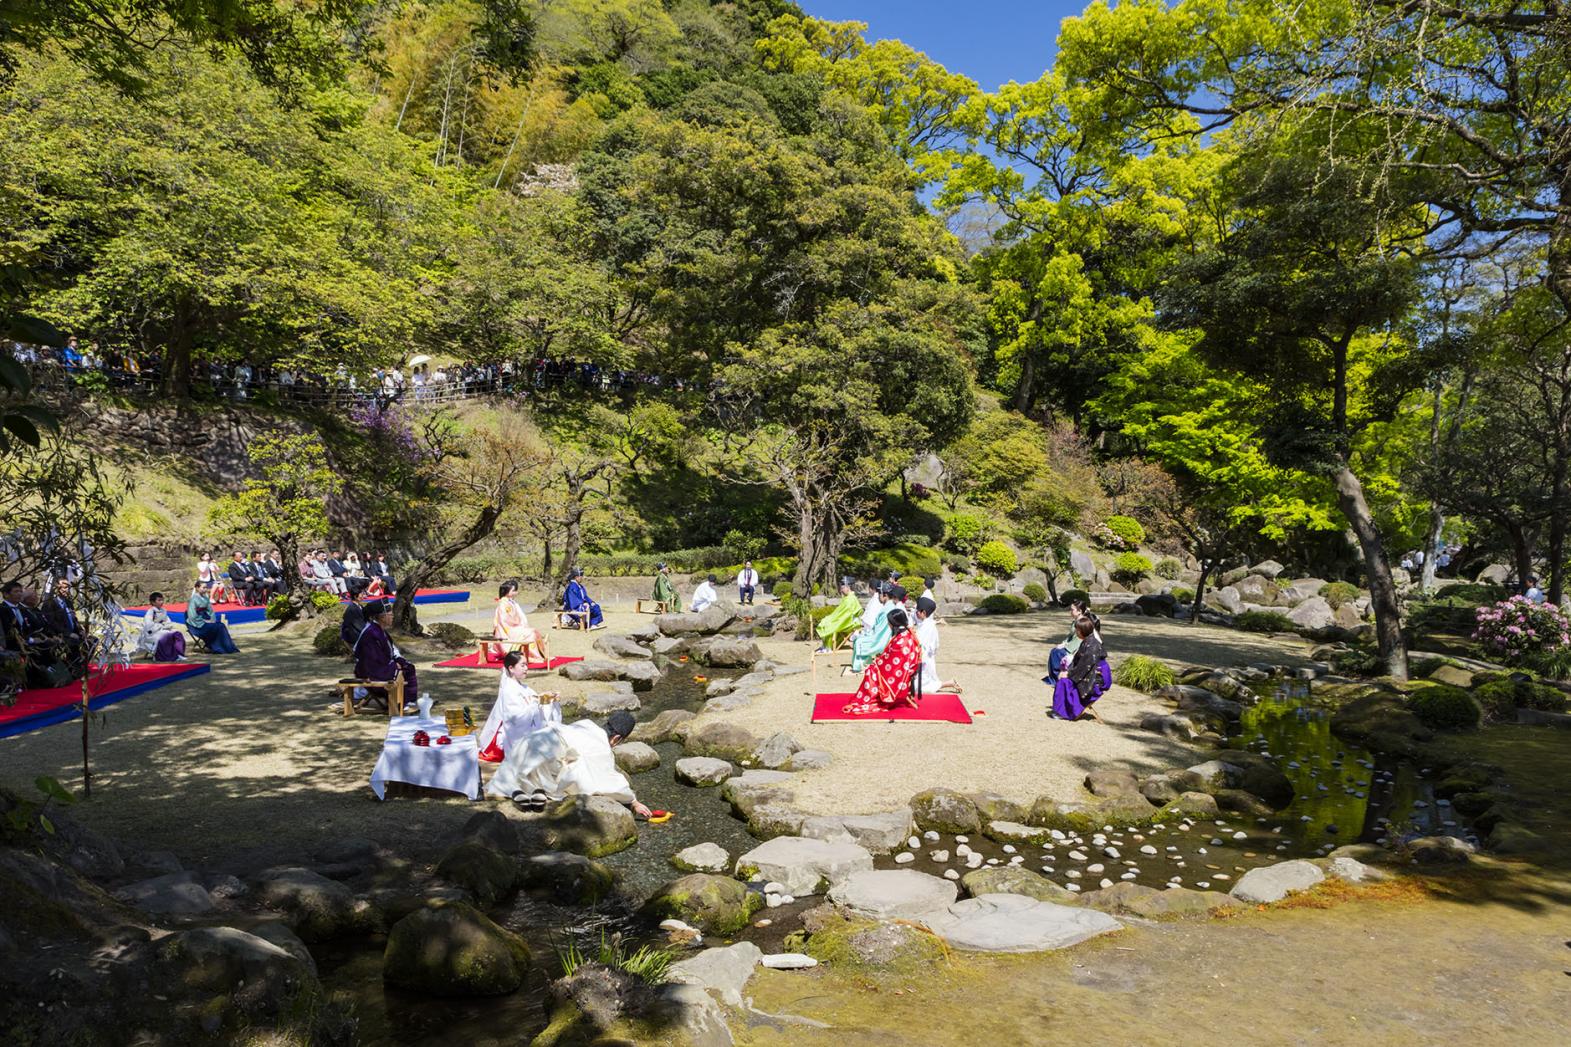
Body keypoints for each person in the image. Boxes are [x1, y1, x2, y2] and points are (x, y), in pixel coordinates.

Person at [484, 675, 653, 817]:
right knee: (577, 772)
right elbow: (610, 779)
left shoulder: (586, 724)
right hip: (546, 752)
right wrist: (633, 801)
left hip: (528, 742)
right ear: (616, 739)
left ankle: (526, 790)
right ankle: (537, 791)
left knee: (529, 770)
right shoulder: (601, 747)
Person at [477, 650, 563, 762]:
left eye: (526, 665)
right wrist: (537, 703)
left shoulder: (524, 688)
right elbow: (515, 718)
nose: (526, 668)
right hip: (516, 735)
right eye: (522, 665)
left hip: (528, 728)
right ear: (511, 668)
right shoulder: (508, 690)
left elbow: (533, 702)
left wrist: (549, 699)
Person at [841, 608, 922, 714]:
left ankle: (868, 698)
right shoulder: (907, 633)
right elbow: (893, 658)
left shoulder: (902, 641)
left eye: (889, 622)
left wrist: (878, 662)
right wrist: (881, 659)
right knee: (874, 667)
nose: (888, 624)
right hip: (902, 668)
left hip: (900, 673)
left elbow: (894, 662)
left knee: (871, 671)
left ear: (894, 623)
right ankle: (868, 696)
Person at [352, 601, 416, 713]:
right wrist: (393, 664)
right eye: (390, 615)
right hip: (371, 671)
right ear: (382, 617)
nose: (392, 617)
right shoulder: (371, 633)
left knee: (408, 667)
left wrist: (398, 660)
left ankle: (408, 699)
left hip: (381, 666)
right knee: (398, 671)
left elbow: (390, 650)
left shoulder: (379, 630)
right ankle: (399, 701)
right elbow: (371, 659)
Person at [1051, 616, 1108, 721]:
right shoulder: (1087, 641)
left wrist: (1068, 674)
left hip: (1098, 676)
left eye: (1077, 630)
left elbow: (1085, 665)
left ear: (1082, 631)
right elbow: (1078, 662)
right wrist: (1066, 671)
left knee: (1065, 682)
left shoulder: (1092, 645)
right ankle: (1061, 710)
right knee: (1063, 680)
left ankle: (1064, 712)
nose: (1076, 632)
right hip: (1088, 671)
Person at [492, 581, 550, 664]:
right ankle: (531, 656)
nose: (516, 592)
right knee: (530, 633)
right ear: (507, 592)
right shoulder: (503, 604)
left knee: (533, 632)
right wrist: (517, 622)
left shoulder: (511, 602)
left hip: (514, 627)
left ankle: (539, 655)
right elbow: (503, 620)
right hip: (506, 630)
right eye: (514, 590)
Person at [913, 596, 961, 693]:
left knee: (919, 688)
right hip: (923, 658)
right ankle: (949, 683)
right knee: (919, 685)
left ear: (924, 613)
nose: (916, 612)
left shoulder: (928, 627)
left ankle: (949, 683)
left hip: (924, 659)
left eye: (917, 610)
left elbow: (925, 644)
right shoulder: (926, 624)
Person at [849, 584, 899, 673]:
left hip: (881, 638)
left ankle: (858, 666)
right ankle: (865, 663)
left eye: (880, 594)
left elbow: (880, 630)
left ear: (885, 596)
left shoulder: (887, 609)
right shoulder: (889, 606)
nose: (878, 596)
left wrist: (868, 634)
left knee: (859, 641)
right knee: (859, 639)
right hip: (880, 635)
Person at [1047, 600, 1101, 680]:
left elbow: (1081, 639)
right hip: (1070, 646)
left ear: (1079, 611)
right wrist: (1063, 644)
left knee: (1057, 653)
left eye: (1072, 609)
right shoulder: (1074, 622)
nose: (1070, 611)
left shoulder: (1083, 623)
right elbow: (1070, 637)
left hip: (1076, 648)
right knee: (1054, 651)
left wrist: (1067, 648)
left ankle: (1059, 677)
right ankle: (1055, 676)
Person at [186, 580, 239, 654]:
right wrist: (204, 621)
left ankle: (228, 647)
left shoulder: (205, 597)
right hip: (196, 624)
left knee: (220, 625)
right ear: (197, 588)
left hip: (206, 619)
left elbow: (210, 611)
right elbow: (192, 615)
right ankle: (220, 648)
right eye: (203, 587)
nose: (205, 589)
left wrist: (212, 619)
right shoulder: (193, 599)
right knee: (219, 627)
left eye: (206, 588)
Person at [815, 578, 863, 653]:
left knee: (829, 624)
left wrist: (833, 619)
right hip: (846, 619)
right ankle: (827, 645)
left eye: (843, 588)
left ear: (848, 587)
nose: (841, 590)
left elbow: (846, 615)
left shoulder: (851, 599)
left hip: (850, 622)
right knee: (827, 621)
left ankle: (828, 647)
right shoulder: (848, 598)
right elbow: (841, 613)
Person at [137, 592, 186, 662]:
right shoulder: (150, 612)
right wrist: (160, 626)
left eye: (162, 600)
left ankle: (178, 654)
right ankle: (165, 656)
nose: (161, 602)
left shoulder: (164, 611)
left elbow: (168, 621)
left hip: (163, 629)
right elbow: (148, 625)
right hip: (152, 633)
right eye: (159, 600)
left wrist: (166, 626)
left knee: (177, 634)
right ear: (153, 602)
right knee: (164, 637)